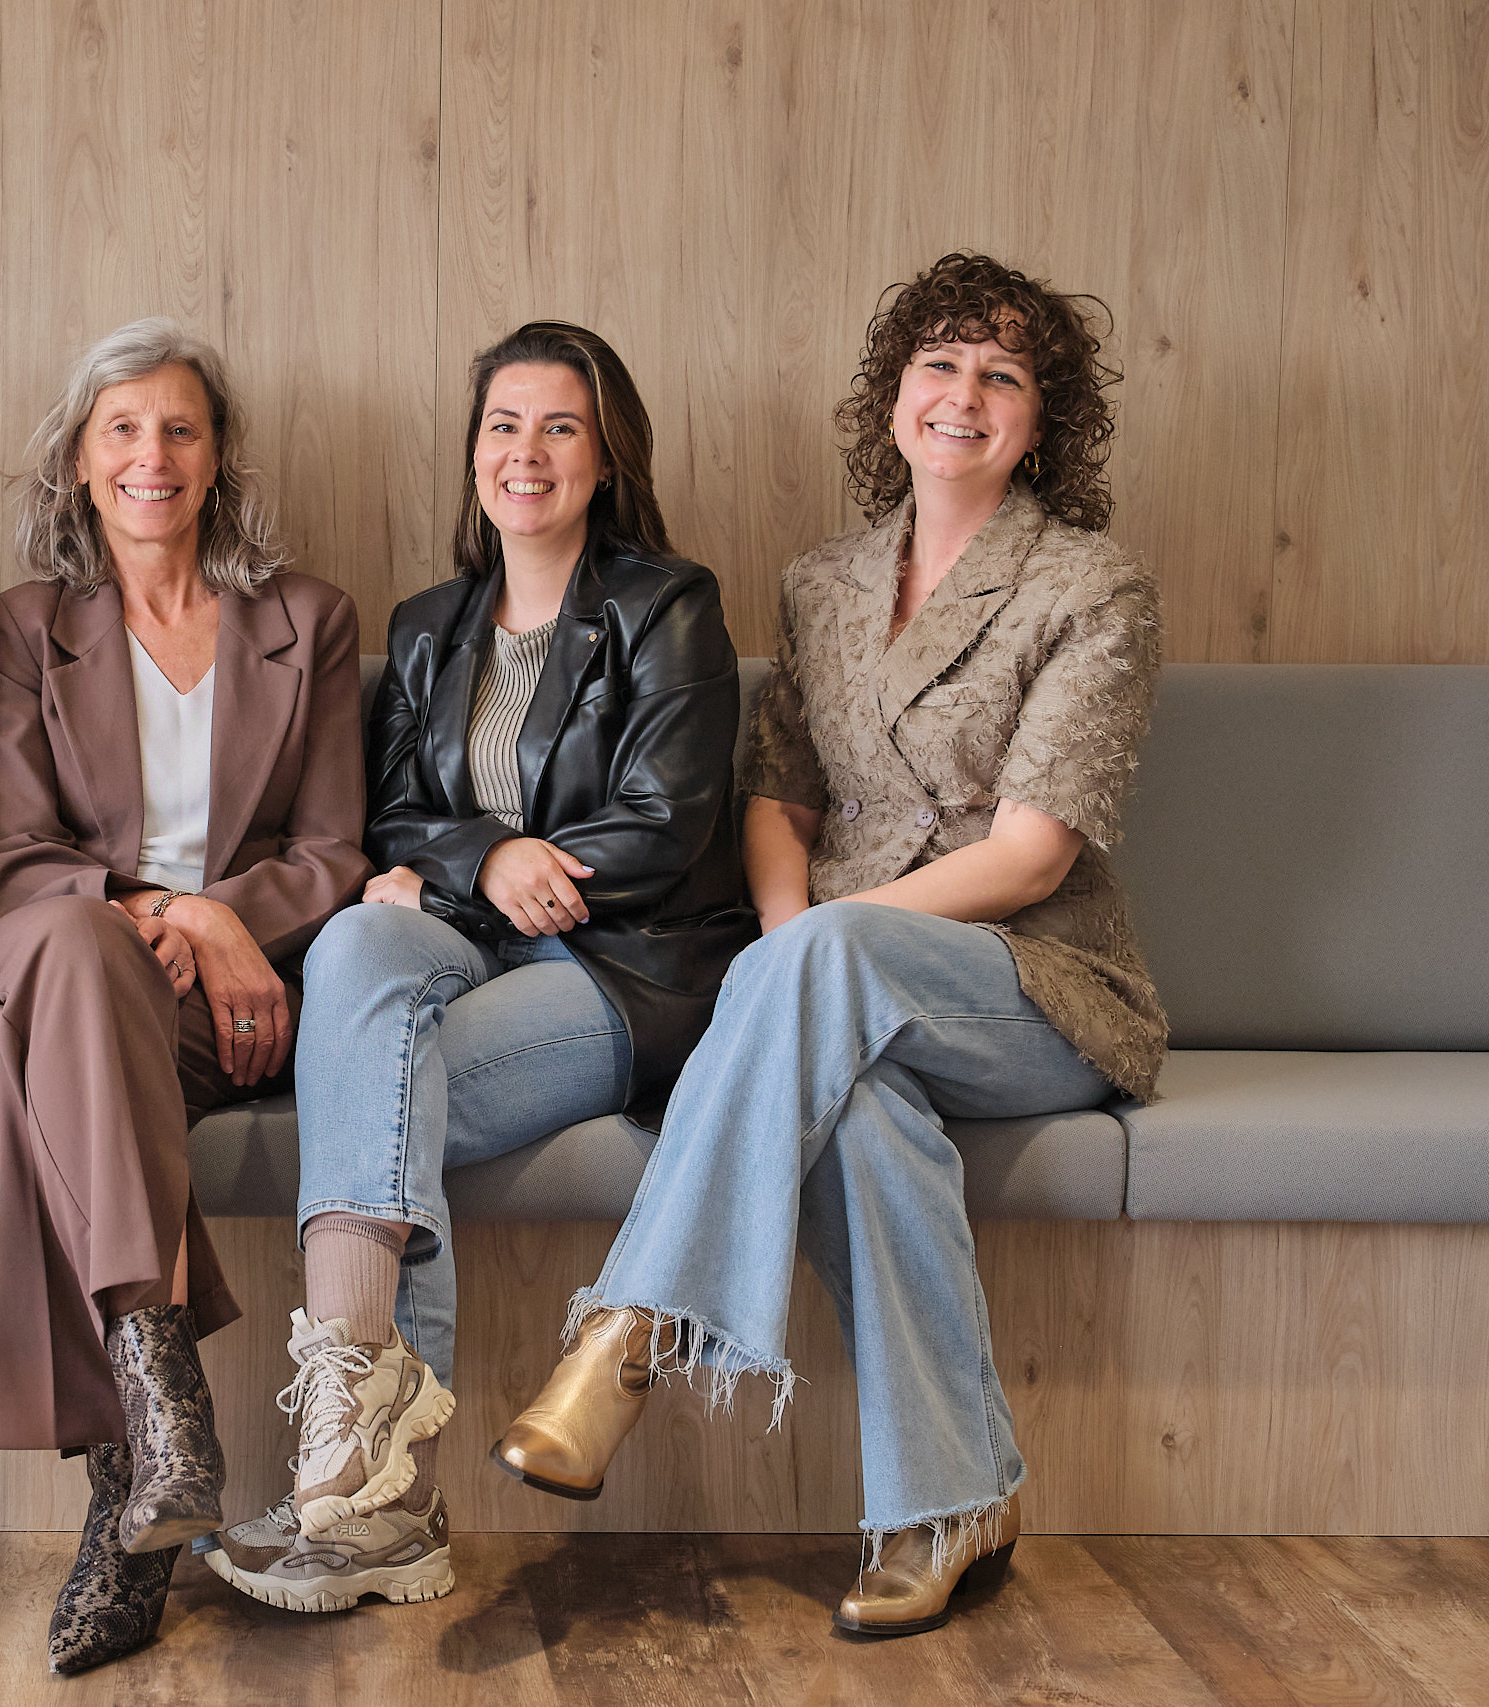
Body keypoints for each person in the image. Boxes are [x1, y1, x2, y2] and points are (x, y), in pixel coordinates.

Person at [493, 252, 1166, 1638]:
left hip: (1033, 986)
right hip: (838, 984)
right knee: (856, 1119)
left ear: (1043, 420)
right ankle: (951, 1500)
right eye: (939, 364)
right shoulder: (825, 583)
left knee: (828, 973)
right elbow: (778, 797)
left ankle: (630, 1326)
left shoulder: (1093, 587)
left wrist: (816, 953)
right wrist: (793, 944)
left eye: (1002, 375)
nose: (963, 394)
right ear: (892, 396)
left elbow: (1033, 856)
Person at [207, 322, 753, 1614]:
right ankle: (371, 1482)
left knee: (384, 1089)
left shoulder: (668, 606)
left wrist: (493, 866)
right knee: (356, 940)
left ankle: (366, 1488)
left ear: (606, 457)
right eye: (504, 425)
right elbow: (392, 817)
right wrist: (478, 857)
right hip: (467, 944)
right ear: (472, 454)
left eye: (561, 428)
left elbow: (667, 823)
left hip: (624, 965)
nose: (527, 452)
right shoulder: (426, 627)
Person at [0, 318, 368, 1674]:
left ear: (218, 455)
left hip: (194, 1005)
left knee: (35, 1079)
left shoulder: (309, 621)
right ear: (80, 458)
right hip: (34, 957)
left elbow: (334, 849)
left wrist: (230, 923)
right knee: (76, 948)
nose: (152, 454)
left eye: (181, 427)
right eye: (122, 428)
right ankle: (161, 1388)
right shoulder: (23, 627)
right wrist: (171, 911)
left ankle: (132, 1484)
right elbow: (8, 855)